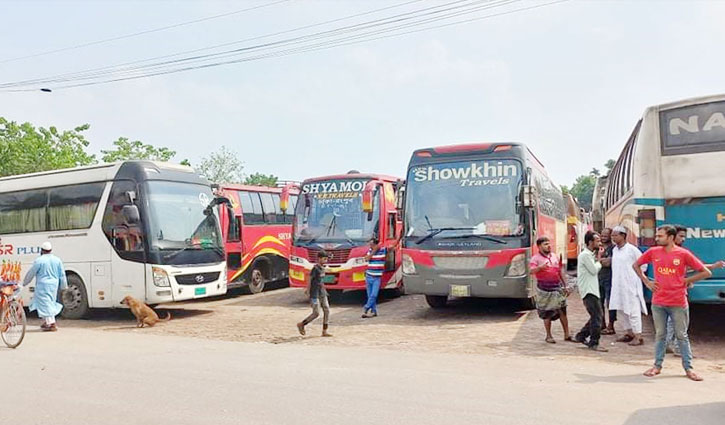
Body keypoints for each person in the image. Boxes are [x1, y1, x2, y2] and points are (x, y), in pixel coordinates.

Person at [633, 225, 711, 381]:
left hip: (678, 302)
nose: (656, 239)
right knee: (660, 335)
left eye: (660, 236)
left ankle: (689, 368)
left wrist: (687, 280)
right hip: (658, 301)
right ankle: (657, 366)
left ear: (670, 237)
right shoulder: (653, 252)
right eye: (656, 236)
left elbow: (706, 272)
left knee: (682, 335)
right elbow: (636, 265)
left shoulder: (683, 254)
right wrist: (647, 282)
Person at [664, 225, 724, 355]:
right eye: (681, 236)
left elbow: (691, 266)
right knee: (680, 320)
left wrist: (712, 266)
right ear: (673, 237)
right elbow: (689, 268)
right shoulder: (675, 252)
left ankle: (668, 344)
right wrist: (687, 281)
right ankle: (679, 349)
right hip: (676, 291)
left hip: (671, 290)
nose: (683, 239)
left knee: (672, 319)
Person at [608, 226, 648, 346]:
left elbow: (643, 265)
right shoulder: (615, 250)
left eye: (615, 235)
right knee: (620, 309)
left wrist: (634, 278)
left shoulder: (632, 250)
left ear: (623, 236)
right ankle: (629, 333)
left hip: (630, 285)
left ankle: (638, 336)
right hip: (618, 285)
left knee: (633, 310)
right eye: (612, 235)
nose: (613, 237)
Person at [529, 236, 573, 344]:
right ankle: (548, 336)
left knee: (562, 310)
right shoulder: (535, 259)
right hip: (544, 289)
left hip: (557, 287)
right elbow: (531, 271)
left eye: (549, 244)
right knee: (546, 312)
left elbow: (560, 271)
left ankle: (567, 334)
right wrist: (540, 268)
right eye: (545, 244)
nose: (548, 246)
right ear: (539, 246)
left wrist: (565, 285)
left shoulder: (554, 256)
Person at [22, 242, 68, 332]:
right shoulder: (57, 260)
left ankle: (51, 323)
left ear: (42, 250)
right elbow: (62, 274)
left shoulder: (39, 260)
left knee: (45, 304)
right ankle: (47, 322)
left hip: (43, 285)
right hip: (54, 285)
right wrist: (64, 286)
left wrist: (24, 282)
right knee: (49, 302)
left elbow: (31, 273)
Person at [574, 231, 608, 352]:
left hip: (592, 289)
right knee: (597, 317)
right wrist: (599, 260)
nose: (599, 242)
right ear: (590, 242)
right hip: (589, 290)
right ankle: (594, 342)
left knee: (596, 316)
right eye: (597, 240)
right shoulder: (585, 255)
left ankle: (582, 335)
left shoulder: (589, 255)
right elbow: (594, 270)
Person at [297, 250, 332, 337]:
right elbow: (310, 279)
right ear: (319, 259)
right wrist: (308, 290)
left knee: (326, 309)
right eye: (324, 259)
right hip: (314, 293)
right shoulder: (315, 269)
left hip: (322, 292)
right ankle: (302, 324)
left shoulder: (323, 268)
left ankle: (324, 330)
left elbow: (321, 280)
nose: (325, 261)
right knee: (316, 313)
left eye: (326, 259)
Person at [597, 228, 617, 334]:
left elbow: (608, 263)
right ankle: (602, 323)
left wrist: (599, 260)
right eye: (602, 235)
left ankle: (611, 325)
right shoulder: (597, 248)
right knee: (599, 302)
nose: (603, 237)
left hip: (610, 278)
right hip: (598, 278)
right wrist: (602, 261)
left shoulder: (614, 249)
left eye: (606, 235)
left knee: (610, 303)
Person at [362, 238, 387, 318]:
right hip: (369, 276)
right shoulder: (370, 251)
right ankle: (373, 311)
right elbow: (367, 258)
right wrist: (374, 251)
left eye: (372, 245)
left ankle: (366, 308)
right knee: (370, 295)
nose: (370, 246)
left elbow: (392, 247)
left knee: (374, 295)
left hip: (377, 277)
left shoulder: (383, 251)